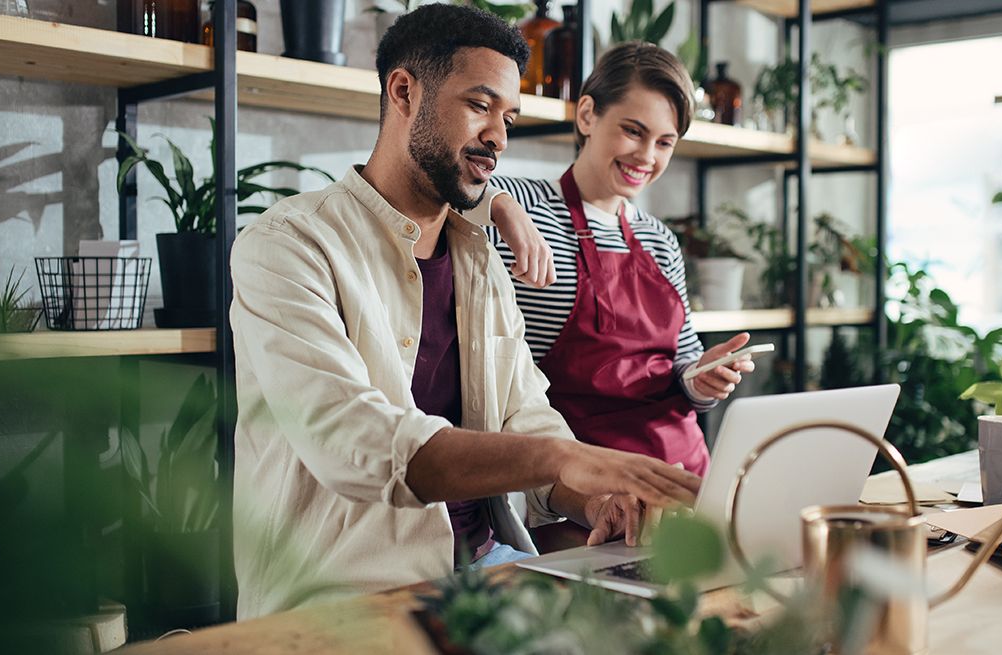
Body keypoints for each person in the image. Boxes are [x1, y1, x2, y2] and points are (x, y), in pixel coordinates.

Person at [228, 5, 700, 619]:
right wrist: (567, 457)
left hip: (487, 573)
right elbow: (353, 442)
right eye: (480, 106)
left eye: (508, 117)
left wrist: (593, 499)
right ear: (404, 91)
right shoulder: (288, 246)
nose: (500, 137)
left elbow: (526, 416)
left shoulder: (479, 257)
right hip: (346, 602)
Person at [471, 42, 755, 478]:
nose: (647, 157)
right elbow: (437, 195)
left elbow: (682, 363)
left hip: (684, 471)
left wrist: (703, 378)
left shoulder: (658, 238)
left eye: (665, 142)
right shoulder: (521, 204)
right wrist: (502, 207)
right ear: (587, 115)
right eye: (633, 131)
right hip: (580, 482)